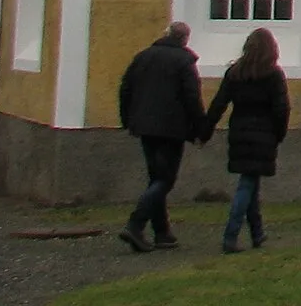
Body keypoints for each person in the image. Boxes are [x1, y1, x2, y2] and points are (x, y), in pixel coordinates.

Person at [116, 20, 205, 252]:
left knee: (156, 177)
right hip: (171, 129)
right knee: (165, 180)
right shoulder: (185, 61)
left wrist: (127, 119)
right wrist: (200, 129)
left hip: (144, 126)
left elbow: (125, 88)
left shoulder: (143, 57)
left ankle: (162, 233)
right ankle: (135, 224)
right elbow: (192, 98)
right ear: (185, 39)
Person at [201, 26, 291, 253]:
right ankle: (230, 235)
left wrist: (205, 130)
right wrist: (279, 134)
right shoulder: (273, 74)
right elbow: (282, 108)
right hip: (264, 133)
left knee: (251, 181)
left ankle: (257, 233)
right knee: (247, 183)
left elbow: (218, 104)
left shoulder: (235, 73)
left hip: (239, 132)